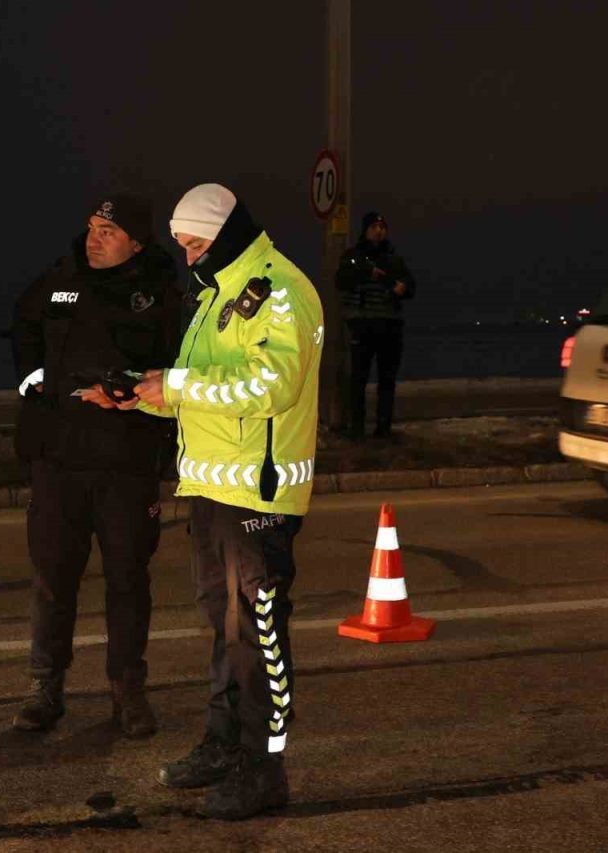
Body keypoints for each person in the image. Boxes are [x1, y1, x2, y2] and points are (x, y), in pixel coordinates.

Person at [124, 183, 323, 820]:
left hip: (257, 493)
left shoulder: (281, 290)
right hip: (213, 487)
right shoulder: (217, 293)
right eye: (182, 246)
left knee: (258, 634)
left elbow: (271, 385)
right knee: (226, 629)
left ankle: (265, 769)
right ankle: (223, 745)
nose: (188, 258)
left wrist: (178, 386)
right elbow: (208, 389)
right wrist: (147, 394)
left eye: (196, 244)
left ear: (227, 234)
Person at [10, 194, 181, 738]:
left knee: (127, 580)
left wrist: (126, 389)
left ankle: (127, 690)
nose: (94, 238)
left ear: (137, 242)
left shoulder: (160, 290)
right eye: (91, 227)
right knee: (52, 580)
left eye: (108, 231)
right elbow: (24, 325)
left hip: (127, 461)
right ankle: (45, 687)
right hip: (58, 459)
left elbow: (177, 365)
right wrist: (32, 379)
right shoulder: (60, 277)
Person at [335, 211, 417, 439]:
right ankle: (357, 429)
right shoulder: (353, 256)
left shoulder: (394, 258)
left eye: (382, 227)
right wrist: (367, 272)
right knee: (358, 379)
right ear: (365, 230)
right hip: (362, 324)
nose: (379, 231)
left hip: (390, 325)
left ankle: (383, 429)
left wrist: (403, 288)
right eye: (374, 227)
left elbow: (410, 285)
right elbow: (341, 279)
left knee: (387, 380)